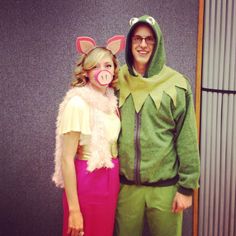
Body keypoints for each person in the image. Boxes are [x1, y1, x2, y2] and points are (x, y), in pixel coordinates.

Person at [115, 15, 200, 236]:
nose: (143, 44)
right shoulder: (115, 80)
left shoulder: (177, 85)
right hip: (125, 189)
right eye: (137, 39)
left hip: (166, 189)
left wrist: (187, 187)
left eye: (149, 39)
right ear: (130, 42)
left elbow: (187, 137)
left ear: (158, 43)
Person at [52, 35, 125, 236]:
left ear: (114, 70)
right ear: (86, 72)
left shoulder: (111, 103)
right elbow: (66, 159)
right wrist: (74, 210)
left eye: (108, 66)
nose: (103, 71)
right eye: (95, 66)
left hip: (110, 179)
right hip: (87, 180)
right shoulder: (78, 103)